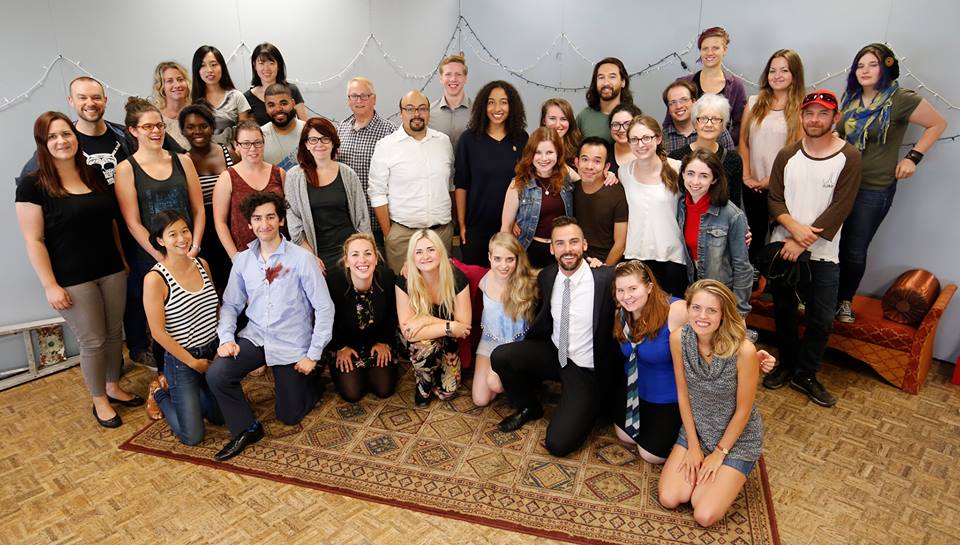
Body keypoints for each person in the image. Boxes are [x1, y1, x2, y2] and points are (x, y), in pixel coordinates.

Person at [15, 77, 180, 368]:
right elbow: (33, 193)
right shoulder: (60, 142)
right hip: (86, 242)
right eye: (82, 98)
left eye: (96, 97)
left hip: (132, 226)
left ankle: (141, 349)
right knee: (99, 322)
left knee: (136, 291)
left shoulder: (121, 135)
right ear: (72, 102)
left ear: (105, 100)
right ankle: (113, 368)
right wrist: (50, 281)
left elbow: (168, 153)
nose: (90, 103)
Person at [15, 111, 138, 428]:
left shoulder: (93, 174)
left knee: (113, 333)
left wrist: (122, 258)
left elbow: (110, 221)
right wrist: (50, 285)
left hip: (110, 268)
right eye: (52, 136)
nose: (61, 141)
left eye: (66, 134)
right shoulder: (32, 185)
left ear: (75, 137)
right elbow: (34, 240)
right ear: (43, 143)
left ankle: (113, 386)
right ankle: (99, 399)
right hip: (72, 277)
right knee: (93, 340)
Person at [207, 191, 334, 461]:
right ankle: (246, 428)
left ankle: (313, 380)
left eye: (270, 217)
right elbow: (230, 305)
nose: (264, 224)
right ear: (250, 224)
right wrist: (226, 338)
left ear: (281, 221)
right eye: (257, 219)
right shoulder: (243, 260)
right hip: (255, 337)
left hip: (291, 343)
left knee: (289, 415)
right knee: (217, 374)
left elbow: (324, 308)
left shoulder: (301, 259)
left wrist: (313, 355)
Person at [491, 216, 624, 456]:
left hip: (585, 367)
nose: (568, 249)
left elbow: (643, 285)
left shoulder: (605, 279)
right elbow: (515, 273)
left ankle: (591, 405)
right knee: (501, 356)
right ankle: (529, 407)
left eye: (574, 242)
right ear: (552, 249)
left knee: (558, 444)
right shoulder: (548, 276)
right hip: (555, 352)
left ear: (584, 245)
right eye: (560, 243)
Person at [762, 90, 862, 407]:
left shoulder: (849, 156)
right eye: (809, 113)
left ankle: (806, 373)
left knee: (821, 319)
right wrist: (792, 232)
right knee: (785, 312)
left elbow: (841, 207)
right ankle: (788, 365)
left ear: (835, 118)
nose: (814, 119)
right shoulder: (788, 154)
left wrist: (801, 241)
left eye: (822, 113)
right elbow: (774, 199)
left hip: (823, 253)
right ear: (801, 117)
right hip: (784, 249)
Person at [835, 43, 947, 323]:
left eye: (872, 64)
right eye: (860, 65)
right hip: (840, 183)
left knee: (854, 248)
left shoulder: (900, 99)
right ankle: (823, 296)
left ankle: (844, 301)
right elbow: (836, 134)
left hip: (873, 187)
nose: (865, 70)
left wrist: (912, 158)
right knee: (829, 244)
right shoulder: (849, 98)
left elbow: (937, 124)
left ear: (886, 66)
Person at [658, 279, 764, 528]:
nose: (702, 316)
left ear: (723, 314)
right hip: (697, 429)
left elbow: (743, 411)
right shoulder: (678, 339)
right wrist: (694, 446)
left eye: (712, 310)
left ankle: (737, 469)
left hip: (736, 440)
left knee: (703, 514)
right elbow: (683, 395)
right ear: (688, 308)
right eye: (696, 308)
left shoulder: (744, 351)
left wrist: (718, 454)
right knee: (670, 497)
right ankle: (703, 463)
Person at [114, 98, 205, 374]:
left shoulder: (183, 161)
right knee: (163, 322)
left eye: (160, 125)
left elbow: (199, 209)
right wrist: (161, 256)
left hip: (189, 251)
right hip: (152, 257)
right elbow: (132, 222)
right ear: (133, 131)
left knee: (194, 315)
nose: (156, 131)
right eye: (148, 126)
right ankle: (169, 378)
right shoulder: (127, 169)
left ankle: (200, 365)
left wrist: (195, 244)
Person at [143, 210, 223, 444]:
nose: (182, 239)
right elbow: (158, 332)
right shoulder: (155, 279)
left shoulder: (202, 264)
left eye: (185, 231)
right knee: (192, 436)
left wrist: (221, 345)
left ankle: (193, 391)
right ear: (160, 241)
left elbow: (215, 308)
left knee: (219, 416)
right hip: (182, 359)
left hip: (212, 351)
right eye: (173, 234)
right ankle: (159, 391)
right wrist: (192, 362)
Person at [369, 91, 455, 273]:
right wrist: (388, 234)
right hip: (403, 235)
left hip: (441, 233)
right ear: (401, 113)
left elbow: (451, 184)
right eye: (410, 109)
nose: (417, 114)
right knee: (404, 291)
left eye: (422, 108)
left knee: (441, 290)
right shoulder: (386, 146)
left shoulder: (443, 142)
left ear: (429, 112)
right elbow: (377, 193)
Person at [611, 261, 687, 463]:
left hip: (668, 398)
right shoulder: (621, 313)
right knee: (623, 436)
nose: (626, 296)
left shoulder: (676, 311)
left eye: (633, 288)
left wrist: (747, 353)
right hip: (635, 393)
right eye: (621, 290)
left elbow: (712, 329)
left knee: (650, 455)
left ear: (649, 287)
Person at [739, 49, 806, 267]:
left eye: (784, 70)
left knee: (779, 235)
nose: (777, 75)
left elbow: (798, 149)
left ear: (794, 74)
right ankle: (753, 276)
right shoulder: (754, 102)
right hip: (753, 184)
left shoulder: (802, 108)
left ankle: (773, 283)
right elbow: (744, 141)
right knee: (754, 235)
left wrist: (771, 179)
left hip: (783, 184)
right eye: (772, 70)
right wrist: (747, 175)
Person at [395, 229, 472, 407]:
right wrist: (449, 326)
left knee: (448, 393)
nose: (425, 256)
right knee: (425, 347)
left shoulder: (457, 278)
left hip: (448, 340)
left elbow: (464, 329)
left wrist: (425, 319)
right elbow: (410, 333)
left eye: (431, 249)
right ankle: (424, 384)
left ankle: (435, 370)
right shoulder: (405, 280)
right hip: (420, 341)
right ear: (412, 257)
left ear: (440, 251)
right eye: (419, 252)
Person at [455, 80, 529, 265]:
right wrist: (462, 224)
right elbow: (461, 185)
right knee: (476, 281)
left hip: (512, 227)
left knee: (508, 283)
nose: (498, 108)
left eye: (504, 102)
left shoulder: (521, 138)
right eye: (491, 102)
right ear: (482, 106)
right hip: (476, 227)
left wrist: (521, 219)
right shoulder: (469, 140)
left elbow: (526, 182)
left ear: (512, 106)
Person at [285, 116, 371, 271]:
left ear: (333, 142)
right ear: (306, 144)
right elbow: (294, 224)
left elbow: (362, 220)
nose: (319, 144)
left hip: (351, 252)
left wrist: (361, 256)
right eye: (313, 140)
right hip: (315, 253)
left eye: (325, 139)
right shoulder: (294, 177)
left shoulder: (348, 174)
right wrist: (310, 259)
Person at [676, 148, 752, 317]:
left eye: (704, 175)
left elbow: (743, 268)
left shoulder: (731, 215)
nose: (695, 181)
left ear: (714, 179)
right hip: (694, 291)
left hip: (722, 295)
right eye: (690, 173)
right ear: (682, 174)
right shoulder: (681, 206)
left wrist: (740, 313)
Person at [323, 233, 398, 402]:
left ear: (376, 258)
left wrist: (384, 341)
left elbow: (393, 313)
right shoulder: (333, 282)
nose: (362, 260)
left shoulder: (386, 278)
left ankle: (371, 370)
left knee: (384, 389)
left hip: (376, 341)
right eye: (355, 255)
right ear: (347, 261)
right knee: (353, 393)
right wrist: (340, 347)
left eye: (368, 253)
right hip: (346, 344)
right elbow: (328, 319)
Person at [619, 116, 688, 297]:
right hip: (636, 255)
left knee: (671, 315)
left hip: (672, 257)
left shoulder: (678, 169)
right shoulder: (624, 172)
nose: (640, 144)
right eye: (634, 139)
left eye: (646, 138)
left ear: (658, 139)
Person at [472, 233, 538, 406]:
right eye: (497, 259)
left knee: (494, 383)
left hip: (516, 345)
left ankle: (522, 379)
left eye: (509, 259)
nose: (503, 265)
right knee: (480, 400)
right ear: (489, 257)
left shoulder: (529, 282)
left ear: (517, 258)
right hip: (490, 340)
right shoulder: (483, 279)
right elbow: (452, 266)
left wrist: (594, 264)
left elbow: (558, 275)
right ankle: (504, 379)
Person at [179, 101, 237, 290]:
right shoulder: (182, 161)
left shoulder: (229, 153)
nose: (198, 131)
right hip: (202, 232)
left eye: (203, 126)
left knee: (237, 282)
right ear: (183, 131)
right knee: (214, 284)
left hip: (231, 227)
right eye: (190, 127)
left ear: (212, 128)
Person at [212, 119, 285, 261]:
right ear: (236, 146)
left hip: (279, 252)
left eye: (257, 143)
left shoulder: (279, 173)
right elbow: (220, 222)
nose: (252, 149)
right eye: (246, 144)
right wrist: (235, 256)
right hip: (245, 255)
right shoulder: (228, 177)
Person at [500, 127, 573, 268]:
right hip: (528, 252)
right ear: (530, 154)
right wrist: (507, 260)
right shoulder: (519, 183)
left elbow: (590, 180)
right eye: (538, 153)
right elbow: (506, 228)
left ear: (558, 154)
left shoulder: (566, 177)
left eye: (550, 152)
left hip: (561, 254)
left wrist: (609, 175)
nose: (544, 158)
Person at [336, 77, 396, 244]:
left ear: (374, 99)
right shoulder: (341, 129)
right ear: (348, 100)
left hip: (377, 219)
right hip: (348, 218)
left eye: (364, 96)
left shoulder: (389, 131)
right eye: (354, 96)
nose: (359, 100)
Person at [672, 27, 747, 145]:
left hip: (719, 156)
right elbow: (670, 122)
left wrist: (722, 143)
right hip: (686, 152)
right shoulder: (683, 83)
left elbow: (740, 126)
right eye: (705, 48)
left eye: (715, 48)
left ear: (725, 50)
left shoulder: (736, 86)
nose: (709, 53)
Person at [669, 93, 744, 209]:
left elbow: (734, 203)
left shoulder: (733, 159)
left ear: (723, 125)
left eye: (715, 119)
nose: (709, 124)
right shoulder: (676, 157)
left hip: (720, 225)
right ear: (694, 123)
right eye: (703, 119)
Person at [572, 137, 628, 265]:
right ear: (576, 162)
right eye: (585, 159)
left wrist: (604, 269)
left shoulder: (617, 193)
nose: (589, 166)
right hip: (576, 259)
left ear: (606, 166)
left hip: (606, 262)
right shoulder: (571, 190)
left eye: (597, 161)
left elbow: (620, 244)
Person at [190, 45, 251, 145]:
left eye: (213, 64)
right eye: (203, 65)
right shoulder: (192, 101)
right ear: (197, 70)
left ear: (222, 67)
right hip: (204, 157)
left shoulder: (236, 96)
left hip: (234, 156)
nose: (209, 70)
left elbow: (245, 134)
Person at [661, 79, 735, 155]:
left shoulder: (716, 130)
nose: (679, 106)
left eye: (684, 100)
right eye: (672, 103)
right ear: (668, 109)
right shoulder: (662, 138)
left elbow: (732, 160)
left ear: (694, 102)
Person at [244, 42, 308, 125]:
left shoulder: (292, 90)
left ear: (279, 66)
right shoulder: (247, 97)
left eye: (271, 63)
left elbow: (305, 124)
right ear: (254, 65)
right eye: (261, 63)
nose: (266, 68)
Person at [577, 57, 633, 142]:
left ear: (623, 82)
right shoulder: (584, 117)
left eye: (612, 77)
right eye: (601, 77)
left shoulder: (635, 116)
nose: (606, 82)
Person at [429, 53, 472, 150]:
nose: (453, 79)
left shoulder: (478, 112)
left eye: (458, 74)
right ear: (441, 78)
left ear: (465, 78)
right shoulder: (429, 113)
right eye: (448, 74)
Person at [260, 83, 306, 171]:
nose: (278, 109)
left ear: (293, 103)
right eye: (271, 105)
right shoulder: (259, 135)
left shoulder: (308, 131)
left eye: (283, 103)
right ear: (265, 108)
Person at [151, 61, 192, 150]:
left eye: (180, 79)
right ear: (161, 87)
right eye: (170, 81)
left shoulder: (198, 113)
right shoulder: (154, 118)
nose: (177, 85)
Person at [540, 98, 582, 169]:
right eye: (552, 118)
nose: (558, 125)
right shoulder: (534, 145)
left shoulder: (579, 146)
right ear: (544, 121)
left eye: (563, 119)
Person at [607, 103, 643, 176]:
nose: (621, 130)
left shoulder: (648, 151)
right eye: (616, 125)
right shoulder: (604, 153)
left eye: (627, 124)